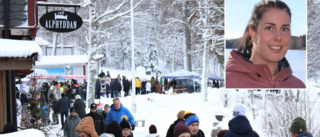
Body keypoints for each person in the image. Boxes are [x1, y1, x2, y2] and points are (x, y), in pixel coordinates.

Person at [225, 0, 305, 88]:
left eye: (284, 29)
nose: (278, 37)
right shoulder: (229, 82)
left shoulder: (298, 85)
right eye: (269, 28)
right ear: (253, 32)